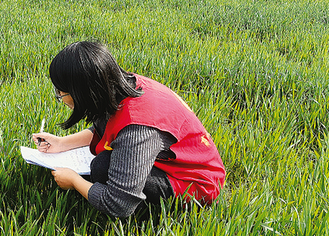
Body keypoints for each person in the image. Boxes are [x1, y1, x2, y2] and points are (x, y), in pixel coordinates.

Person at [31, 41, 225, 218]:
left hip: (195, 184)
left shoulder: (137, 129)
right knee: (105, 163)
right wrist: (61, 143)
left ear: (82, 92)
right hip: (175, 161)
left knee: (102, 168)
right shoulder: (120, 86)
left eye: (61, 93)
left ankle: (149, 214)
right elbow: (109, 126)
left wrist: (74, 181)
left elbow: (119, 204)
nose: (60, 96)